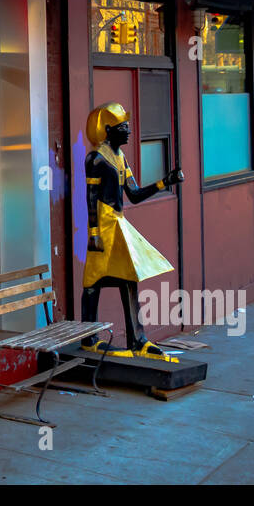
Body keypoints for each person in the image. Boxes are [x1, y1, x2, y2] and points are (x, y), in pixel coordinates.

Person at [80, 101, 184, 356]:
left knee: (129, 275)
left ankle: (138, 339)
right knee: (92, 280)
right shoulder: (95, 159)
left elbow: (134, 194)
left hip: (118, 224)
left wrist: (164, 182)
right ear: (107, 129)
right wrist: (93, 234)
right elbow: (91, 198)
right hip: (102, 228)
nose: (128, 130)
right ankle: (89, 338)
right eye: (122, 126)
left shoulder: (120, 158)